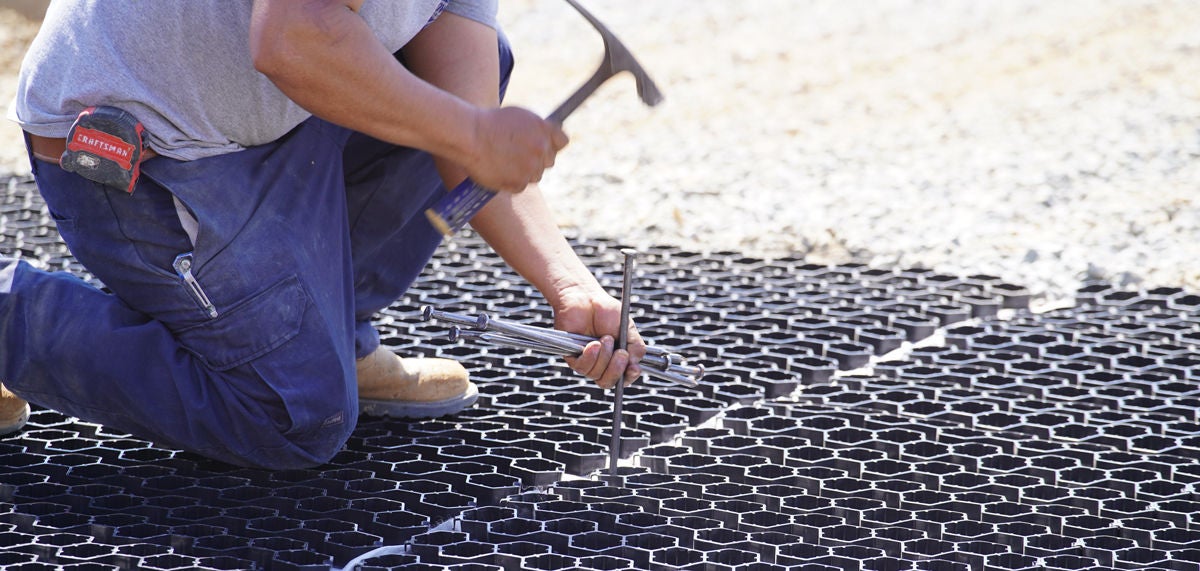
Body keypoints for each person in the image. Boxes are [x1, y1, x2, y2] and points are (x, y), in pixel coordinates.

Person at [0, 0, 646, 470]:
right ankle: (9, 316)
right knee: (292, 415)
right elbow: (291, 38)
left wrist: (569, 285)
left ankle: (333, 331)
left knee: (448, 86)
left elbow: (464, 134)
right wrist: (474, 134)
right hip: (139, 150)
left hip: (264, 128)